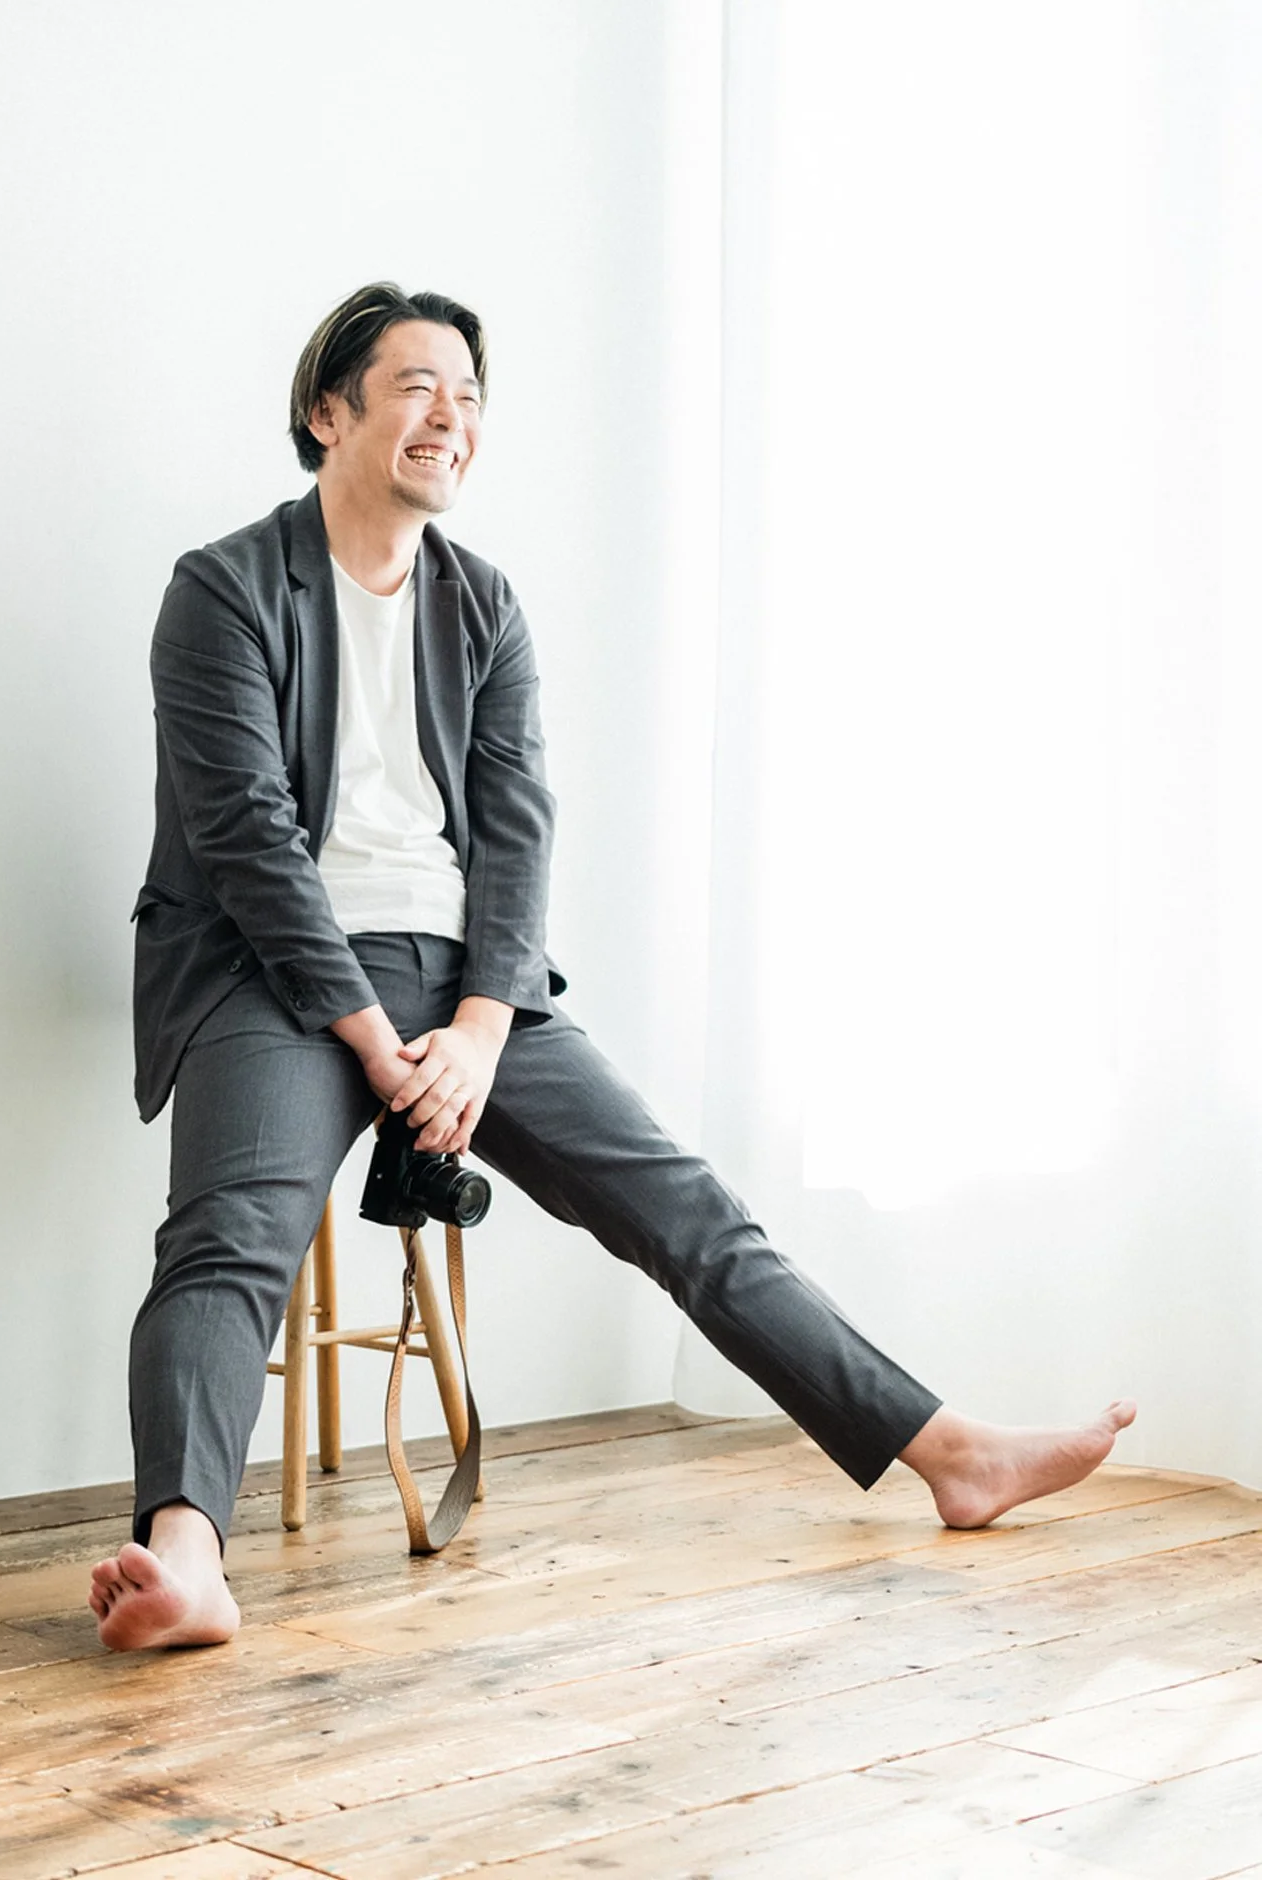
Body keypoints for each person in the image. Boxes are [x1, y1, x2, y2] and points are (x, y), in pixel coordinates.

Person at [89, 284, 1135, 1651]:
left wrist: (474, 1030)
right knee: (230, 1241)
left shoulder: (487, 607)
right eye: (414, 384)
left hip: (467, 982)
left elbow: (519, 835)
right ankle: (186, 1561)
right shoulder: (225, 590)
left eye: (467, 393)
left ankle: (951, 1454)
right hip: (272, 980)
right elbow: (246, 843)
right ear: (325, 411)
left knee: (687, 1210)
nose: (449, 414)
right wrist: (366, 1036)